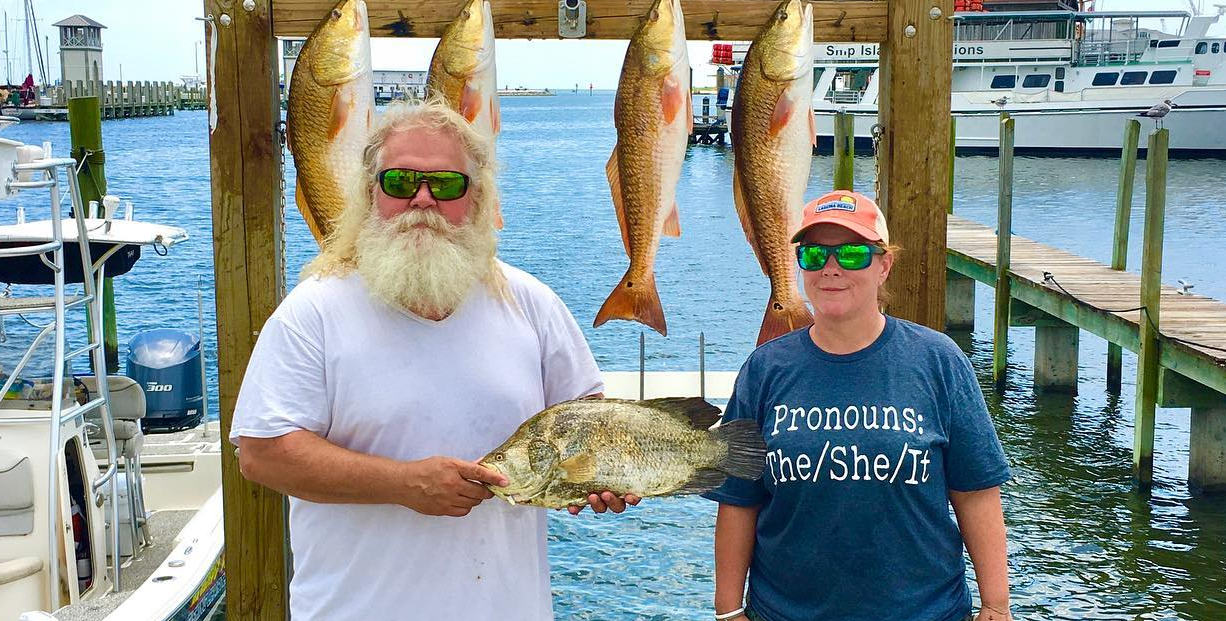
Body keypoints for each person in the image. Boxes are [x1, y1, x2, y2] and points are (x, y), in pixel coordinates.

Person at [230, 98, 636, 620]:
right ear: (370, 192)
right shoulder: (313, 313)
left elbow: (591, 424)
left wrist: (606, 477)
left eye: (446, 185)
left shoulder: (531, 303)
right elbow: (261, 454)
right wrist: (403, 485)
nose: (422, 200)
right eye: (400, 182)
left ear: (478, 197)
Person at [704, 190, 1013, 621]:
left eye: (851, 254)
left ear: (884, 265)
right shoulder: (764, 370)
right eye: (814, 255)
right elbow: (739, 499)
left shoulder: (938, 361)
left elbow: (976, 490)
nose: (831, 268)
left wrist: (996, 607)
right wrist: (727, 611)